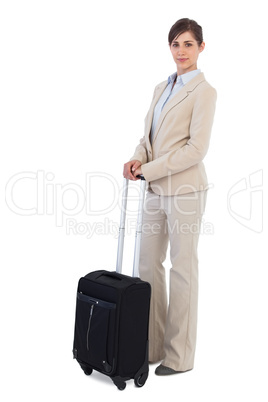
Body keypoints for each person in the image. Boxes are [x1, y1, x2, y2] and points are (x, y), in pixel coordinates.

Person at [123, 18, 217, 376]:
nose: (181, 51)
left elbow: (197, 149)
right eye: (176, 44)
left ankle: (179, 357)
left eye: (189, 44)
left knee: (183, 270)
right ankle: (152, 345)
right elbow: (149, 137)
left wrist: (151, 169)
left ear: (201, 48)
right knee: (147, 266)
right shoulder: (161, 87)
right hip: (153, 187)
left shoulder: (205, 92)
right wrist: (137, 158)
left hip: (186, 191)